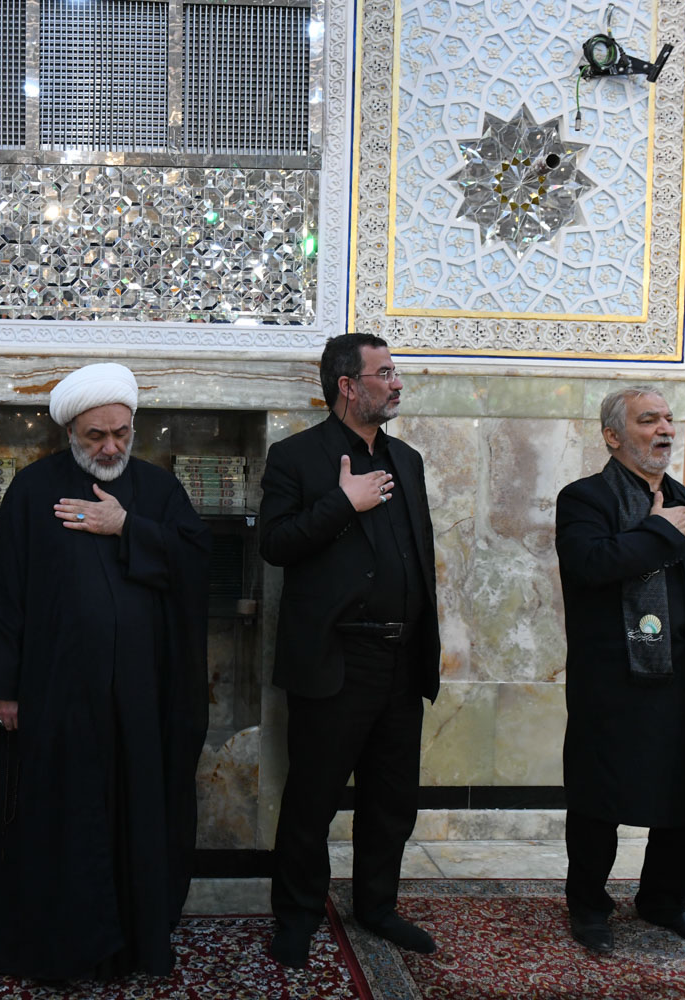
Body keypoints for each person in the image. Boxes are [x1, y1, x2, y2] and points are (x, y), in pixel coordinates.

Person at [0, 362, 212, 979]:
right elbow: (3, 593)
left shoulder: (158, 490)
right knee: (63, 821)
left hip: (140, 701)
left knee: (133, 818)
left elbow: (195, 566)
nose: (110, 447)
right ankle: (63, 949)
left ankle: (132, 943)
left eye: (121, 434)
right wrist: (3, 688)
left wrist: (127, 526)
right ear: (70, 433)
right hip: (55, 698)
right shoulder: (33, 490)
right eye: (95, 436)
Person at [261, 333, 441, 966]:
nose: (397, 383)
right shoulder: (295, 457)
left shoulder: (406, 459)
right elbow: (275, 545)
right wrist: (343, 502)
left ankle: (377, 907)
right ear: (347, 385)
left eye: (395, 372)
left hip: (402, 659)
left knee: (392, 800)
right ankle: (297, 915)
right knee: (312, 800)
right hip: (336, 660)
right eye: (384, 373)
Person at [556, 387, 685, 954]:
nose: (665, 429)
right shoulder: (584, 500)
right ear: (613, 436)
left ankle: (665, 900)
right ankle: (589, 907)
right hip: (615, 683)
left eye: (668, 419)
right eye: (648, 419)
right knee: (599, 801)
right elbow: (590, 566)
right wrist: (660, 530)